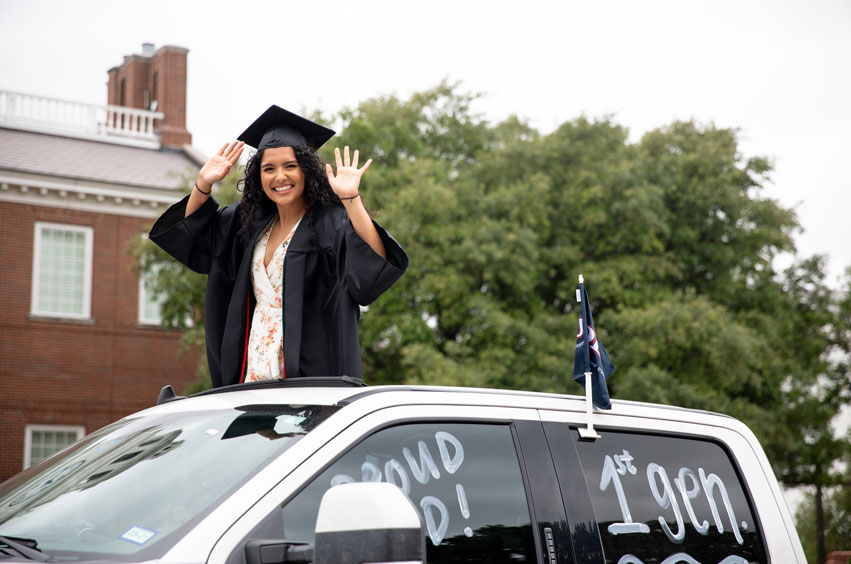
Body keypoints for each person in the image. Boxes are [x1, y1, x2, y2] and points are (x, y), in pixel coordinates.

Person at [150, 105, 408, 387]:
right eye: (269, 169)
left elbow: (372, 265)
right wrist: (203, 185)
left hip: (313, 374)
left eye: (290, 166)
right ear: (258, 176)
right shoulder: (248, 222)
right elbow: (196, 237)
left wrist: (351, 199)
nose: (280, 177)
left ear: (306, 170)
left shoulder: (328, 223)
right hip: (253, 366)